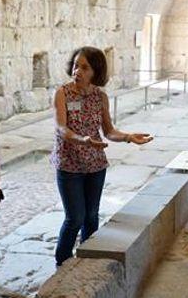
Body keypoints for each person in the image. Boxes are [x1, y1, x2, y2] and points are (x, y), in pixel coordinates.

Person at [52, 46, 154, 266]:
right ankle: (62, 261)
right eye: (76, 65)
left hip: (95, 165)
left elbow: (108, 131)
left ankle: (89, 259)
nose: (77, 71)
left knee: (91, 215)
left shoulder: (100, 97)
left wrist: (128, 137)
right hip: (69, 164)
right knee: (75, 218)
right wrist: (82, 140)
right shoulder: (63, 93)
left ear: (95, 72)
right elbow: (61, 128)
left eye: (84, 67)